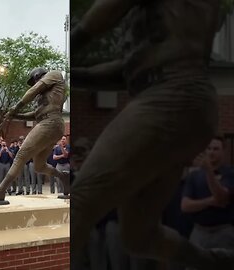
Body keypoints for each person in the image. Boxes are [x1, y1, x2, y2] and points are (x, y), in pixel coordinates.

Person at [69, 0, 232, 269]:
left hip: (172, 94)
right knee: (138, 236)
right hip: (180, 100)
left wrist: (68, 43)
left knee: (79, 204)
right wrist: (75, 74)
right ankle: (214, 261)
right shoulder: (165, 30)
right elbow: (130, 69)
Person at [0, 68, 69, 203]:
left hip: (50, 122)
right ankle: (63, 177)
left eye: (34, 81)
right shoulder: (43, 96)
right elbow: (35, 114)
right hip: (49, 124)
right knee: (39, 166)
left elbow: (34, 90)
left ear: (38, 76)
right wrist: (16, 115)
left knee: (21, 155)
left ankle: (0, 191)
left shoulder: (54, 75)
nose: (34, 84)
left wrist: (17, 107)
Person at [182, 137, 234, 252]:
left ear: (223, 151)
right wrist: (211, 201)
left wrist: (208, 170)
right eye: (209, 148)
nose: (211, 152)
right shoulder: (194, 176)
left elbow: (221, 197)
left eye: (216, 149)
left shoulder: (230, 173)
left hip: (223, 232)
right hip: (198, 232)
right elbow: (185, 206)